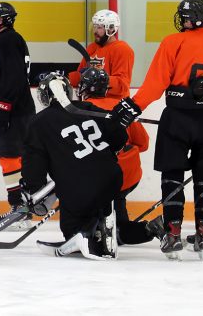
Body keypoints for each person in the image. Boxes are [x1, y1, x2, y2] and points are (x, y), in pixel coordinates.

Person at [111, 0, 203, 259]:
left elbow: (155, 83)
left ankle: (173, 231)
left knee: (172, 174)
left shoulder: (173, 42)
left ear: (189, 19)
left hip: (178, 117)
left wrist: (132, 106)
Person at [24, 73, 127, 259]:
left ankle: (82, 236)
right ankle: (99, 228)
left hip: (79, 186)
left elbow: (34, 162)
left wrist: (34, 188)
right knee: (94, 202)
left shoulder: (38, 122)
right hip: (112, 177)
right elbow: (120, 136)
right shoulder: (87, 107)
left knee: (71, 222)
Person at [75, 67, 156, 245]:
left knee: (100, 219)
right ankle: (147, 228)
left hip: (100, 177)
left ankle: (108, 229)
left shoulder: (79, 111)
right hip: (130, 175)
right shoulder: (121, 107)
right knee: (116, 205)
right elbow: (143, 144)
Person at [0, 2, 33, 225]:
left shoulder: (7, 40)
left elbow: (13, 77)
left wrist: (3, 107)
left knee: (9, 156)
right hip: (18, 109)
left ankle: (20, 209)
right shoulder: (9, 40)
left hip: (14, 111)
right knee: (14, 157)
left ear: (3, 20)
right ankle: (23, 207)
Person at [68, 10, 134, 99]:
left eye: (99, 27)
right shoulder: (92, 48)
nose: (95, 31)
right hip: (90, 102)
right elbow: (81, 76)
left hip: (113, 105)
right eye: (94, 27)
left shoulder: (122, 49)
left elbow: (122, 86)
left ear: (111, 29)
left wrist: (98, 79)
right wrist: (65, 80)